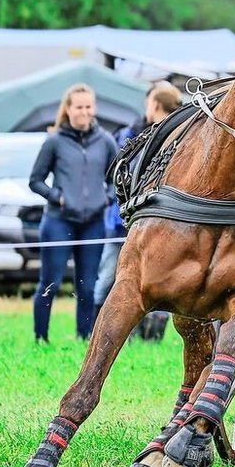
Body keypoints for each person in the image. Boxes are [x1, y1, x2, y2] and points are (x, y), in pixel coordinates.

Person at [28, 83, 118, 343]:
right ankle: (41, 338)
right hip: (58, 221)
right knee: (50, 283)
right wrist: (57, 197)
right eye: (79, 107)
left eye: (89, 106)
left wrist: (107, 197)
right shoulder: (54, 141)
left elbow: (116, 177)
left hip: (92, 224)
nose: (84, 112)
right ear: (68, 109)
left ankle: (84, 337)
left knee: (87, 286)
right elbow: (35, 180)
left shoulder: (105, 140)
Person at [94, 80, 181, 340]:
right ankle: (103, 333)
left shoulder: (178, 135)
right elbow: (117, 176)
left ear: (153, 104)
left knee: (148, 281)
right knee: (111, 280)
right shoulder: (131, 133)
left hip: (154, 223)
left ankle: (149, 337)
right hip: (122, 223)